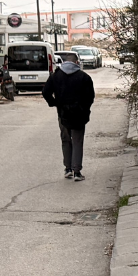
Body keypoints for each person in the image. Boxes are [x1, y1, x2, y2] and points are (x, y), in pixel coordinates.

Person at [42, 52, 95, 181]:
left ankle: (68, 169)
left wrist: (55, 103)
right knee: (77, 141)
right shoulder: (84, 77)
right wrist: (84, 108)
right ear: (77, 62)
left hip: (63, 113)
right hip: (79, 115)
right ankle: (77, 172)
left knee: (66, 140)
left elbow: (45, 92)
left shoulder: (56, 76)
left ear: (64, 63)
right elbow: (90, 97)